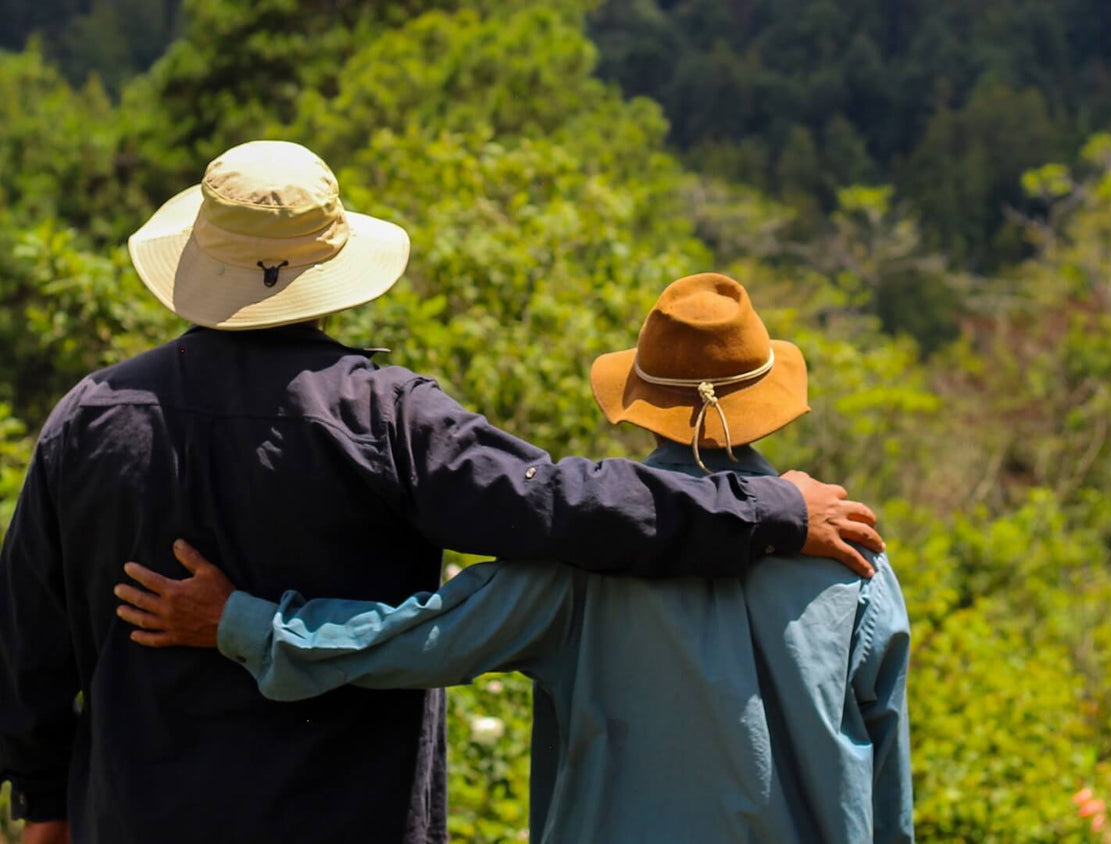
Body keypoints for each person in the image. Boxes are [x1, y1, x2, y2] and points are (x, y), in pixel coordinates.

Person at [0, 144, 882, 844]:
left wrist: (42, 802)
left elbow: (28, 636)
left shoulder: (91, 419)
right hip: (349, 814)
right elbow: (561, 505)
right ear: (331, 265)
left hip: (136, 812)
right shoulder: (386, 417)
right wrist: (768, 510)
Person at [116, 273, 914, 843]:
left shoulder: (583, 564)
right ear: (772, 405)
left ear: (643, 410)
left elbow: (414, 641)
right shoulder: (854, 562)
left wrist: (244, 624)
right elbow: (886, 784)